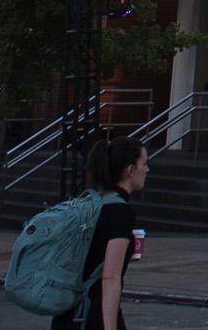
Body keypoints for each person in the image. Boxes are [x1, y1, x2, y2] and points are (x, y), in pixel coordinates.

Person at [58, 134, 149, 330]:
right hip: (92, 316)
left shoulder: (87, 205)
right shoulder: (120, 213)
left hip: (66, 313)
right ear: (130, 170)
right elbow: (110, 277)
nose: (147, 169)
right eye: (144, 163)